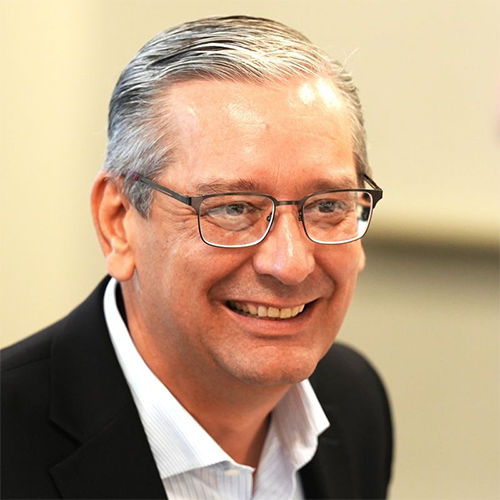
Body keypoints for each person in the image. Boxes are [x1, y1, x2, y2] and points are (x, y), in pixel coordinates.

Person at [0, 15, 392, 500]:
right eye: (233, 208)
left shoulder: (352, 402)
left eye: (328, 206)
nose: (291, 264)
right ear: (118, 222)